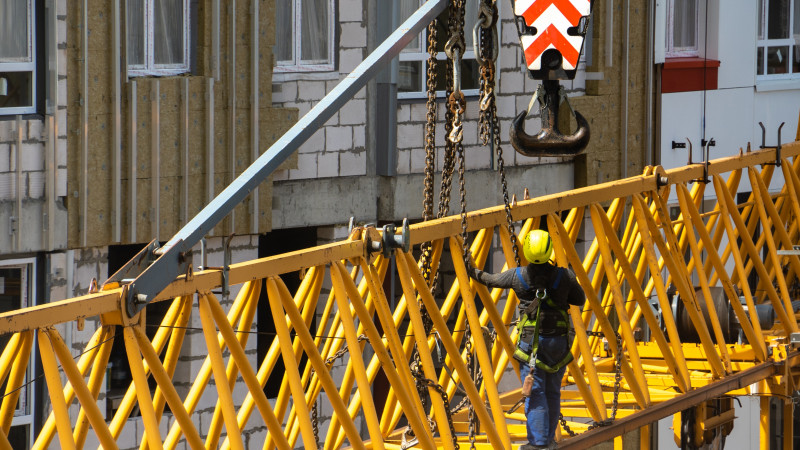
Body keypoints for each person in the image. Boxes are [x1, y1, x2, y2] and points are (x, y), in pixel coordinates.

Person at [467, 229, 585, 449]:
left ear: (527, 252)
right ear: (549, 249)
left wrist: (470, 270)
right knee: (552, 391)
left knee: (536, 392)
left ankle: (538, 444)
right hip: (558, 344)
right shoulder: (564, 275)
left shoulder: (518, 276)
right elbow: (580, 299)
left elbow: (490, 280)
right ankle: (547, 440)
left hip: (531, 346)